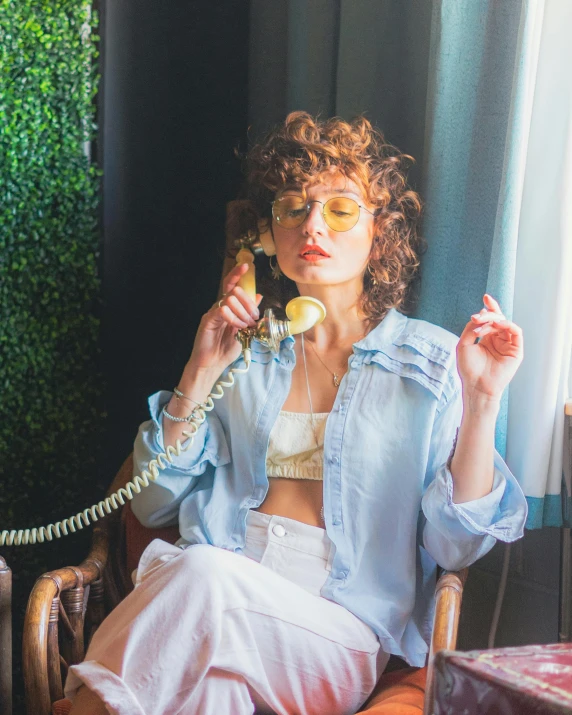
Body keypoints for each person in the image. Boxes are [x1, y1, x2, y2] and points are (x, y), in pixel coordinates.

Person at [67, 112, 527, 715]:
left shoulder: (437, 364)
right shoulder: (245, 356)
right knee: (214, 693)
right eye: (292, 208)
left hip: (330, 626)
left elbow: (456, 548)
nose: (313, 224)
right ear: (264, 240)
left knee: (203, 576)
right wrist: (200, 368)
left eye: (340, 209)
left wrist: (483, 397)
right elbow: (153, 503)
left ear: (380, 234)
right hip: (208, 598)